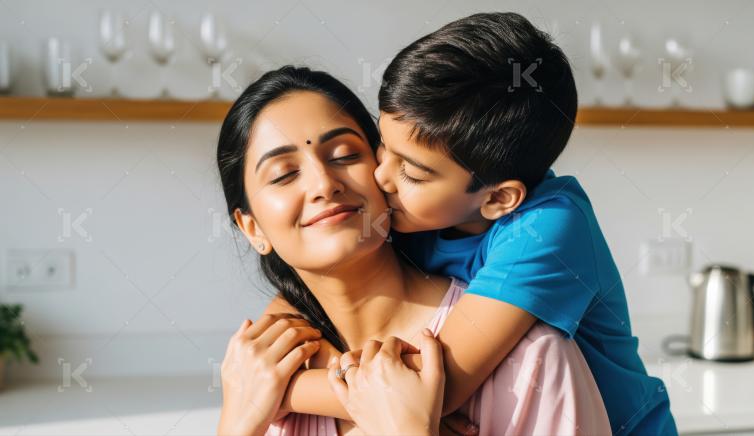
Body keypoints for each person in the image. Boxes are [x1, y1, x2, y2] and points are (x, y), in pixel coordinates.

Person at [277, 12, 678, 435]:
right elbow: (312, 285)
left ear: (497, 199)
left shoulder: (547, 229)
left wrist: (284, 389)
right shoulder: (421, 207)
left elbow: (438, 385)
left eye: (412, 172)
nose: (381, 177)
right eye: (383, 145)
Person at [215, 66, 610, 435]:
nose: (324, 183)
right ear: (252, 228)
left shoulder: (530, 358)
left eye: (346, 155)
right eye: (284, 175)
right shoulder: (260, 379)